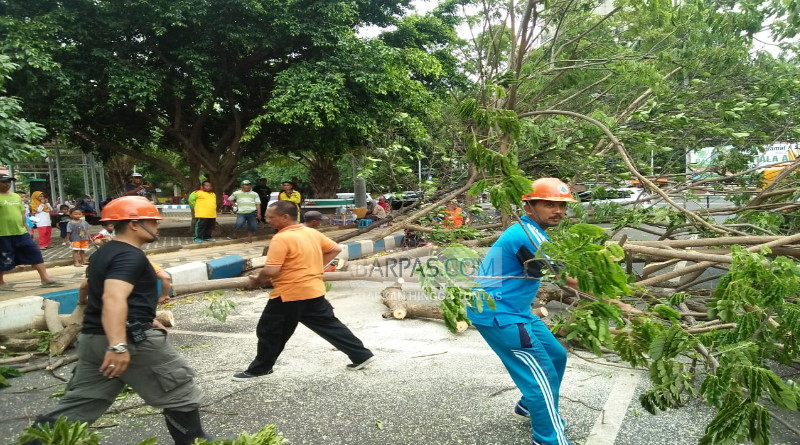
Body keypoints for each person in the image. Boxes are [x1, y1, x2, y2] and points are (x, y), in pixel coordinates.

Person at [26, 196, 211, 445]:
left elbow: (90, 288)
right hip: (128, 341)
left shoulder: (104, 253)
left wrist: (147, 318)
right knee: (180, 395)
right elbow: (114, 297)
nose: (158, 225)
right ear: (134, 224)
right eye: (152, 221)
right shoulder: (130, 256)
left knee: (81, 403)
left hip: (93, 339)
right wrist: (118, 345)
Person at [467, 177, 577, 445]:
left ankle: (530, 406)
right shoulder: (526, 236)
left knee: (556, 356)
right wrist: (615, 299)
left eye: (562, 205)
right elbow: (567, 279)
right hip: (500, 314)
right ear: (528, 207)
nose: (558, 211)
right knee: (542, 377)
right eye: (549, 204)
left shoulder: (534, 231)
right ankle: (549, 439)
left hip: (517, 310)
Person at [234, 200, 375, 380]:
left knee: (269, 330)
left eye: (270, 217)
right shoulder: (310, 232)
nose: (267, 220)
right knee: (329, 326)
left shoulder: (281, 238)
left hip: (290, 293)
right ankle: (361, 355)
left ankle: (260, 369)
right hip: (313, 289)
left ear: (285, 217)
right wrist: (316, 267)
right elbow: (335, 248)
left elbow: (271, 270)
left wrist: (257, 281)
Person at [0, 174, 61, 290]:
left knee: (35, 252)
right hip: (2, 234)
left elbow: (22, 214)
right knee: (3, 257)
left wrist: (28, 229)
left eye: (9, 181)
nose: (7, 184)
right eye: (4, 181)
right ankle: (1, 282)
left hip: (21, 232)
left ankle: (45, 279)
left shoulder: (16, 197)